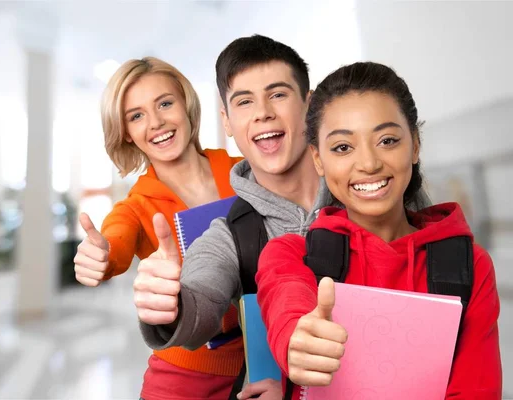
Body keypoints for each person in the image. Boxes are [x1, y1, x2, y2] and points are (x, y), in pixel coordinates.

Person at [255, 61, 502, 399]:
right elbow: (288, 300)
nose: (369, 163)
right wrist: (298, 339)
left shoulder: (469, 266)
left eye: (387, 140)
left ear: (415, 145)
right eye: (343, 147)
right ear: (318, 159)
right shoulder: (290, 256)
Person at [133, 35, 321, 399]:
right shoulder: (229, 235)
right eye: (244, 101)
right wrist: (170, 306)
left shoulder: (367, 196)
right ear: (228, 121)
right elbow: (201, 296)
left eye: (278, 94)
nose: (262, 111)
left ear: (310, 106)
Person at [73, 57, 253, 400]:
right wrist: (100, 254)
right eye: (136, 115)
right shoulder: (135, 207)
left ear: (186, 105)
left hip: (267, 366)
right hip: (185, 379)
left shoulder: (244, 173)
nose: (156, 123)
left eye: (165, 104)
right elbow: (115, 241)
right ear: (126, 132)